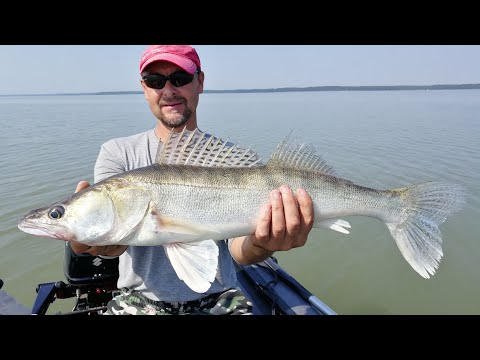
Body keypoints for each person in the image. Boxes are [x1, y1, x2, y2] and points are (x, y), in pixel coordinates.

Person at [71, 45, 315, 315]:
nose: (168, 90)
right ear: (144, 88)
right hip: (139, 301)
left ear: (200, 81)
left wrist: (262, 244)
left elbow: (236, 253)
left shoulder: (226, 157)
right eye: (155, 81)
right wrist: (99, 245)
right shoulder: (117, 153)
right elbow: (115, 242)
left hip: (220, 299)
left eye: (180, 78)